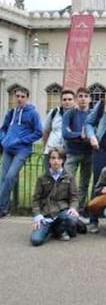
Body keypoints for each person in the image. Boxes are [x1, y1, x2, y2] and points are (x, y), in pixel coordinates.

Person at [0, 86, 43, 218]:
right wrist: (3, 140)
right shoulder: (11, 112)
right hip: (8, 150)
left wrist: (21, 140)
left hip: (22, 150)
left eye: (22, 97)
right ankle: (4, 209)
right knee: (3, 179)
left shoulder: (33, 114)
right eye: (17, 96)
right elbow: (3, 128)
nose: (19, 99)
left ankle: (1, 206)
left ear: (27, 98)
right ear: (14, 97)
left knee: (10, 177)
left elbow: (38, 132)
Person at [30, 147, 80, 246]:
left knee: (72, 219)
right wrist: (37, 216)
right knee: (36, 240)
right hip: (46, 214)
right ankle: (55, 229)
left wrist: (73, 208)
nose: (56, 161)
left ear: (63, 160)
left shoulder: (69, 177)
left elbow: (74, 197)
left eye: (59, 158)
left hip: (62, 211)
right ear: (49, 160)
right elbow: (36, 200)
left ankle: (60, 228)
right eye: (53, 158)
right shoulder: (42, 178)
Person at [62, 87, 93, 214]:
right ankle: (65, 207)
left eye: (86, 96)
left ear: (90, 99)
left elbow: (94, 134)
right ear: (76, 99)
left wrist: (78, 135)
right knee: (66, 181)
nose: (83, 99)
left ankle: (78, 209)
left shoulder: (93, 114)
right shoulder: (69, 114)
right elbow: (65, 133)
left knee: (84, 184)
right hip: (72, 153)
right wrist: (80, 135)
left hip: (89, 153)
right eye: (80, 96)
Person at [42, 89, 75, 169]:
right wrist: (46, 147)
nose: (67, 102)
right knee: (48, 177)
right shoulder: (54, 112)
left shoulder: (76, 114)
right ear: (61, 101)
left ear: (74, 100)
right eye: (64, 100)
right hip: (51, 150)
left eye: (70, 99)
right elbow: (46, 131)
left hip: (67, 152)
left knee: (63, 178)